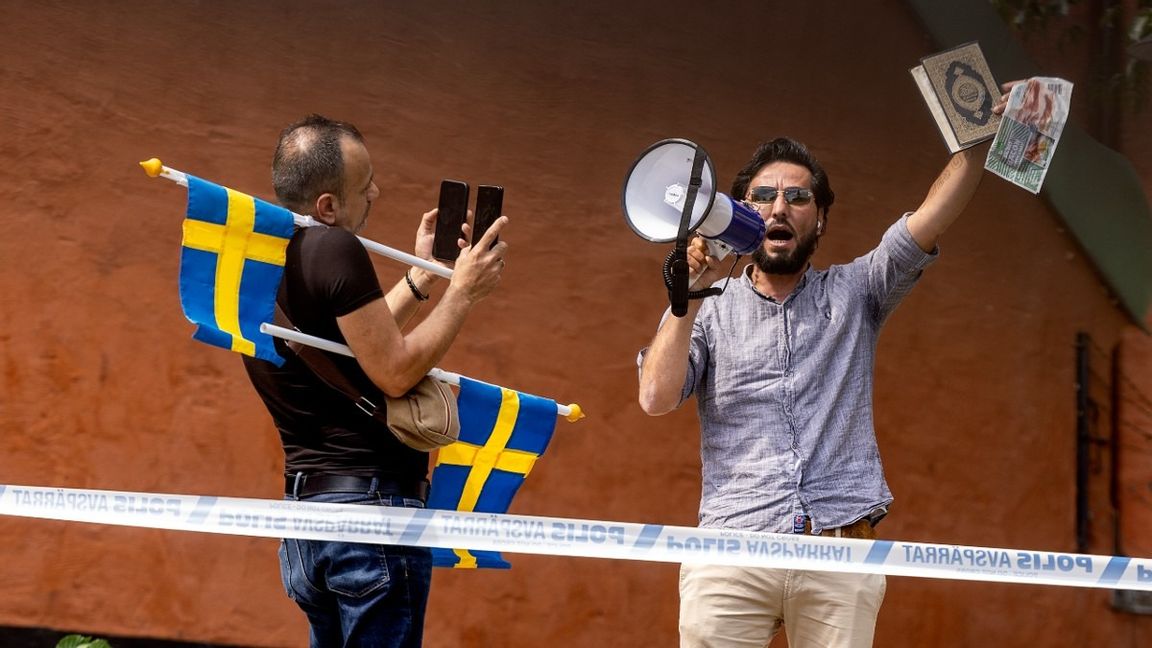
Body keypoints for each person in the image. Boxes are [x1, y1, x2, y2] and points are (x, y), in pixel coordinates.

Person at [636, 88, 1012, 648]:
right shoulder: (707, 308)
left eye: (797, 197)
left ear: (821, 221)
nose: (778, 208)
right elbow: (655, 397)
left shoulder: (858, 291)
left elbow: (926, 223)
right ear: (736, 213)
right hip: (730, 550)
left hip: (840, 546)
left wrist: (976, 148)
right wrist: (686, 297)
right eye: (761, 196)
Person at [242, 114, 507, 647]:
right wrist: (465, 292)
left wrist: (423, 277)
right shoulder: (337, 247)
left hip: (306, 521)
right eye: (365, 188)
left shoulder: (264, 255)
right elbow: (393, 370)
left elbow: (355, 348)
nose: (377, 194)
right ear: (327, 207)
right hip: (370, 518)